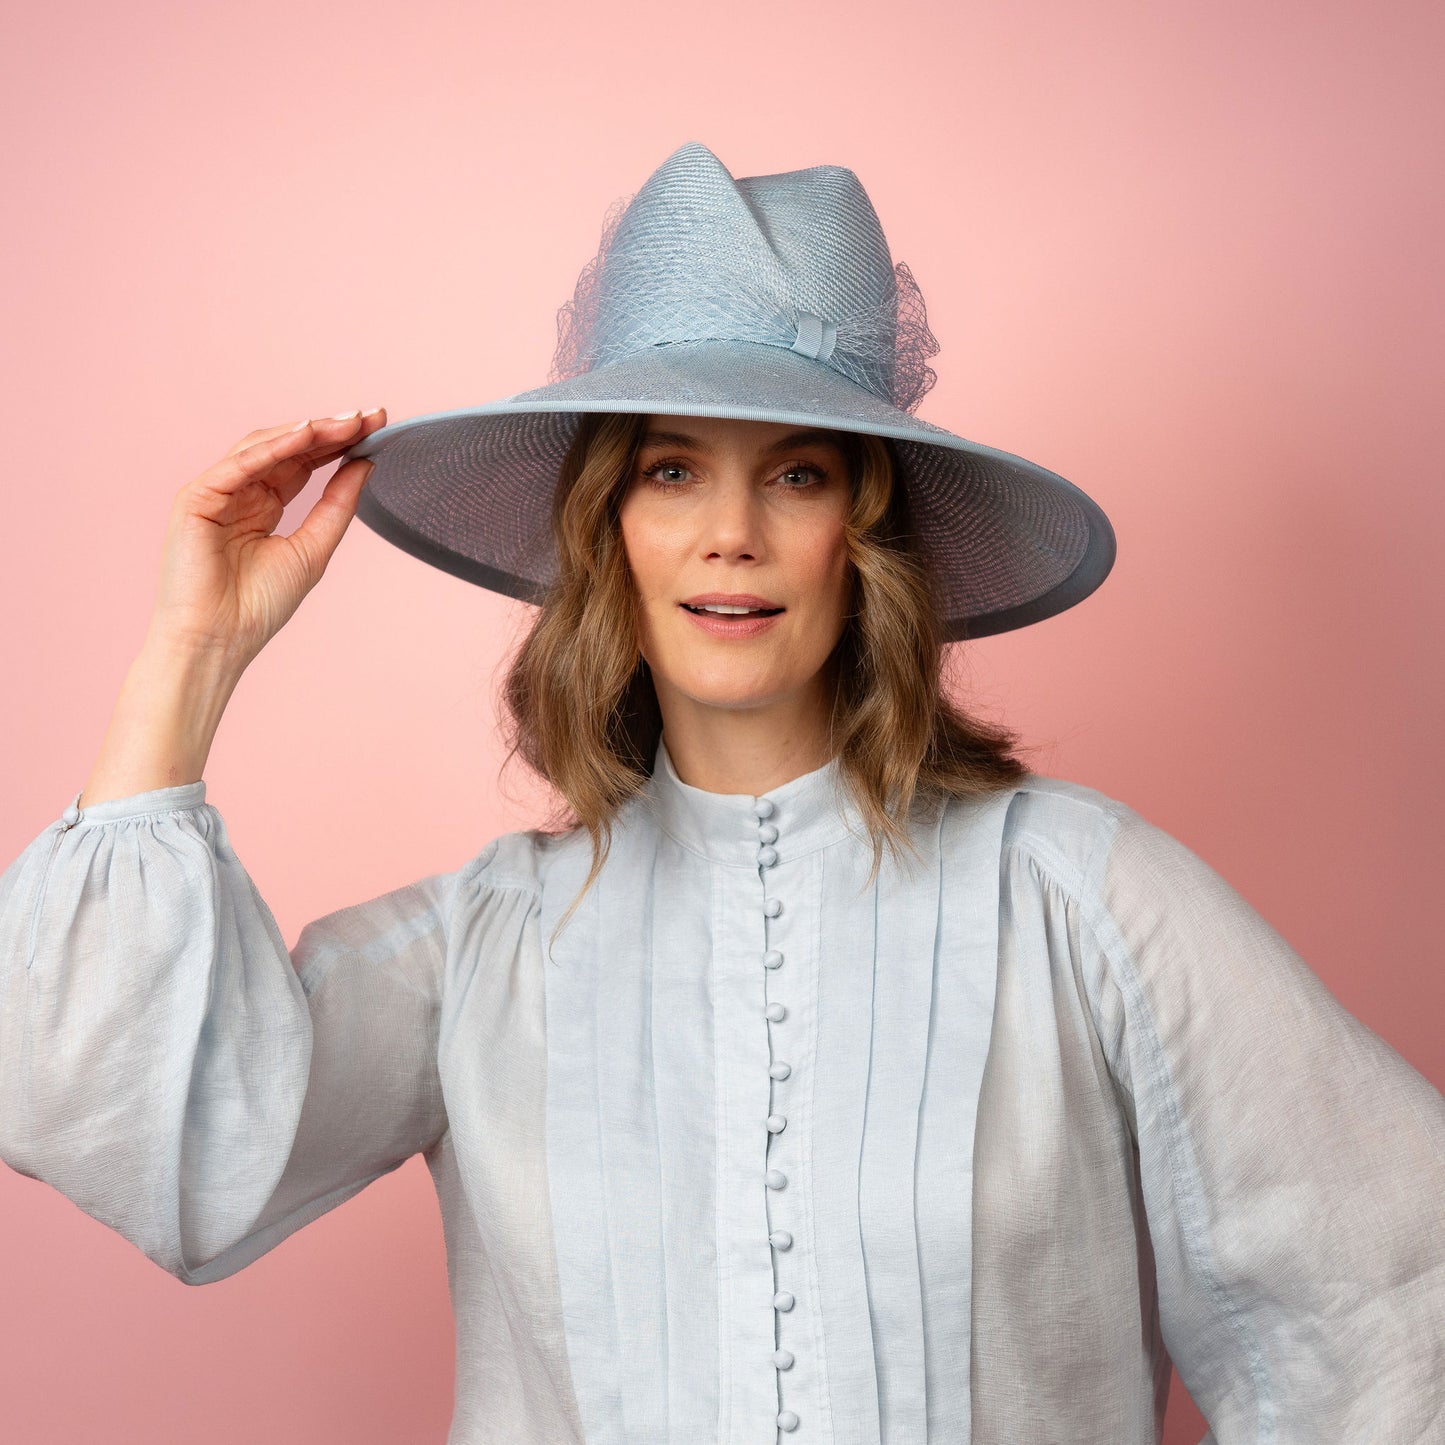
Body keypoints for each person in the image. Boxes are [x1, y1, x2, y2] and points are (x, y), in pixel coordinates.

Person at [2, 142, 1442, 1445]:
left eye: (798, 474)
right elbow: (148, 1135)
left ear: (862, 530)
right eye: (672, 469)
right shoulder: (481, 947)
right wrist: (192, 654)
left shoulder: (1078, 893)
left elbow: (1381, 1303)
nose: (731, 536)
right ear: (606, 525)